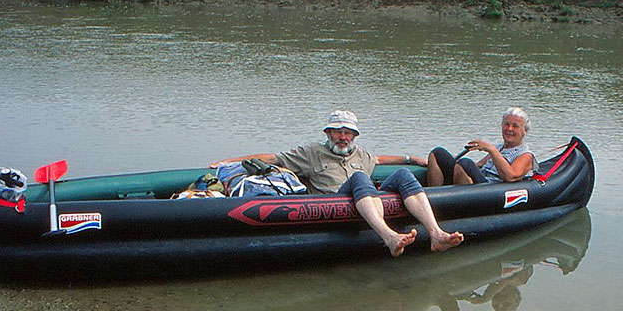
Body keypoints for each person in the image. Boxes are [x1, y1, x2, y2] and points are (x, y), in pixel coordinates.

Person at [212, 110, 463, 258]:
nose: (342, 137)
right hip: (332, 205)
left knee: (403, 175)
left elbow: (380, 159)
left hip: (367, 201)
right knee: (359, 178)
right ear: (327, 133)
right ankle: (388, 237)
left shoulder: (361, 154)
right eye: (337, 131)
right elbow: (274, 158)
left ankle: (436, 234)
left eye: (347, 132)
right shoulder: (309, 152)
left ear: (354, 135)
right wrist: (231, 161)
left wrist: (410, 159)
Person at [427, 107, 536, 187]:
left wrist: (491, 149)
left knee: (465, 163)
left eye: (515, 126)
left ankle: (455, 202)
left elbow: (511, 176)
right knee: (438, 153)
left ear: (524, 131)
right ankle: (433, 195)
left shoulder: (525, 155)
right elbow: (478, 165)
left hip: (490, 189)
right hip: (481, 180)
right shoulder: (499, 148)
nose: (509, 129)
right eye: (506, 124)